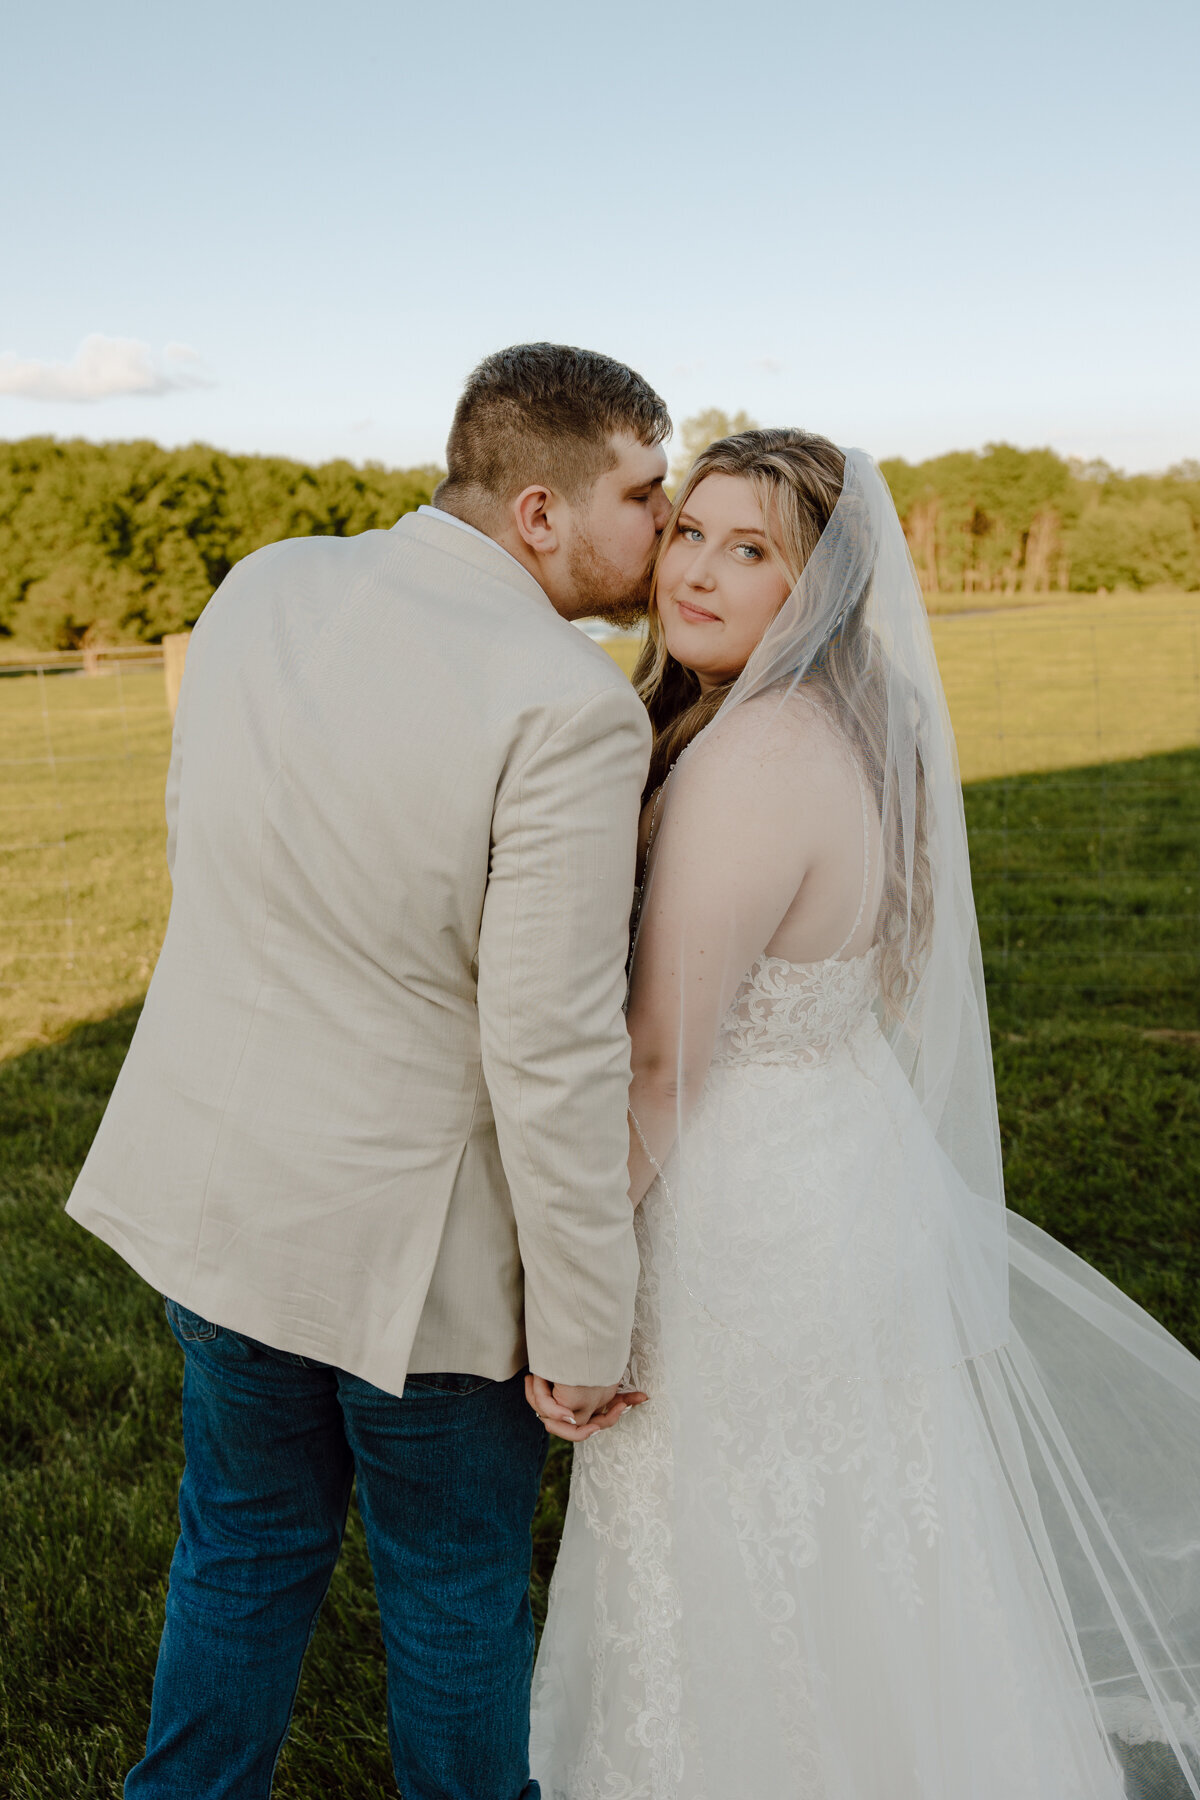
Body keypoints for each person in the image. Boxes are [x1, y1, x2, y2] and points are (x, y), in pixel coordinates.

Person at [529, 430, 1200, 1799]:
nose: (696, 572)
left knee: (738, 1553)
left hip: (747, 1215)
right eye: (691, 532)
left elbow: (662, 1062)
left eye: (751, 549)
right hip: (843, 1165)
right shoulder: (860, 720)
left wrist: (573, 1292)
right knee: (866, 1548)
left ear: (818, 587)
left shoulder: (750, 756)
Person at [65, 343, 671, 1800]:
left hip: (218, 1195)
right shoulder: (572, 708)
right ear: (541, 510)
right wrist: (589, 1320)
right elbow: (551, 1046)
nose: (665, 525)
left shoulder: (268, 581)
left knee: (242, 1550)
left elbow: (205, 836)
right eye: (646, 493)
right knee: (455, 1598)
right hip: (417, 1262)